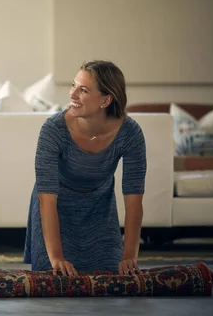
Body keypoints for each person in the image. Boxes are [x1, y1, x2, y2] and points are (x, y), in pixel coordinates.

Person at [24, 60, 146, 276]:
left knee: (111, 276)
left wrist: (129, 256)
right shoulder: (53, 130)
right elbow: (47, 198)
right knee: (53, 277)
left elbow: (134, 199)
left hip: (100, 211)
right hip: (54, 208)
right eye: (73, 85)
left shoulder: (130, 134)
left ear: (106, 100)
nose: (72, 95)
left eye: (83, 90)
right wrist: (57, 257)